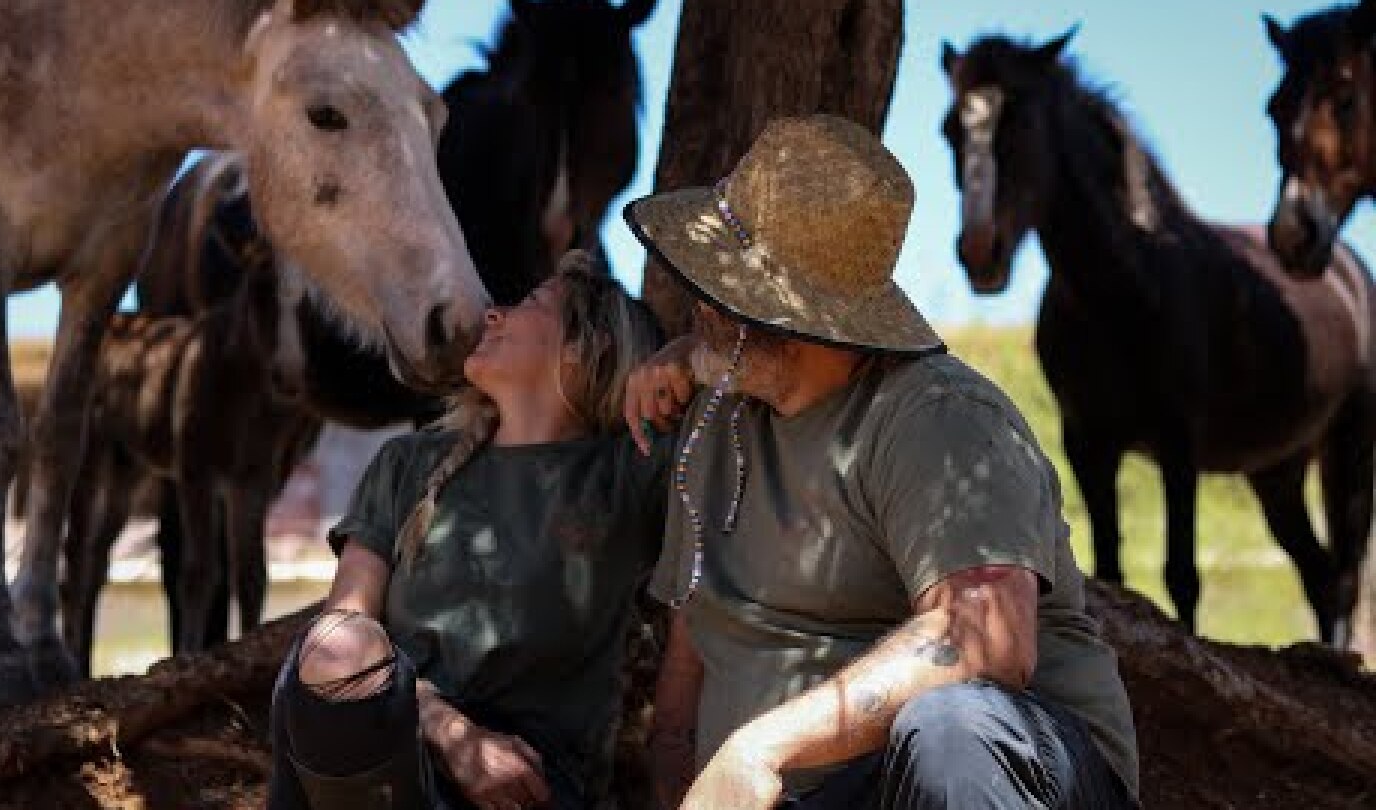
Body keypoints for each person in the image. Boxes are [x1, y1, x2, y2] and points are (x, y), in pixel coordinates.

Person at [621, 115, 1139, 809]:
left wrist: (758, 748)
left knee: (952, 727)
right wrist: (676, 778)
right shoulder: (719, 412)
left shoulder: (940, 419)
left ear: (773, 317)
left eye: (716, 288)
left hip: (1002, 783)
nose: (697, 303)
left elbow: (987, 641)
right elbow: (697, 634)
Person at [267, 251, 671, 810]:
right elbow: (343, 624)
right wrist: (453, 735)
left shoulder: (627, 475)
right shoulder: (408, 463)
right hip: (388, 748)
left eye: (530, 305)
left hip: (529, 780)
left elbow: (727, 424)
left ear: (584, 353)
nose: (491, 315)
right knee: (338, 648)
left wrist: (681, 363)